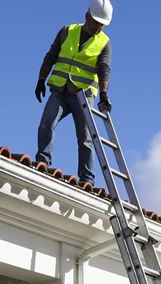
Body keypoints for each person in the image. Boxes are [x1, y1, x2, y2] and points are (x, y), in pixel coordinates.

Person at [34, 0, 114, 186]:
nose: (99, 26)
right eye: (97, 22)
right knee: (46, 123)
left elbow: (104, 69)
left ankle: (87, 178)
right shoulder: (67, 31)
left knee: (85, 137)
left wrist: (103, 93)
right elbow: (51, 56)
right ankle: (43, 161)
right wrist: (41, 79)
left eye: (102, 23)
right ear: (87, 16)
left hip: (83, 95)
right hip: (60, 89)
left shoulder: (104, 42)